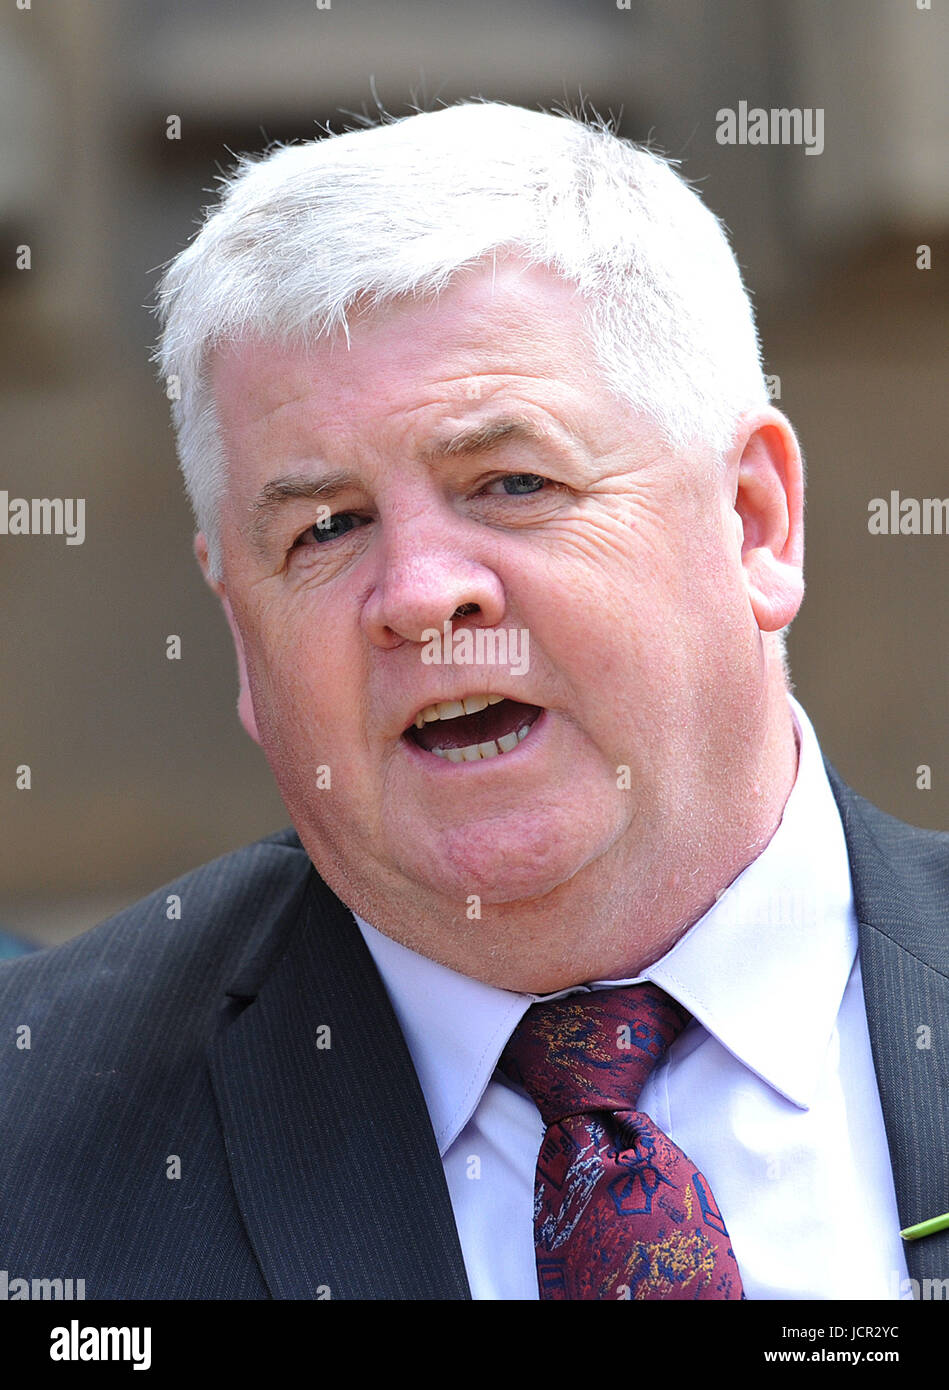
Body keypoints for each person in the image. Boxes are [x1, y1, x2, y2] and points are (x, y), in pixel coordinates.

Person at [0, 101, 946, 1302]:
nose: (419, 594)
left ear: (753, 520)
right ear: (240, 630)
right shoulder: (30, 1140)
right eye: (326, 527)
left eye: (509, 481)